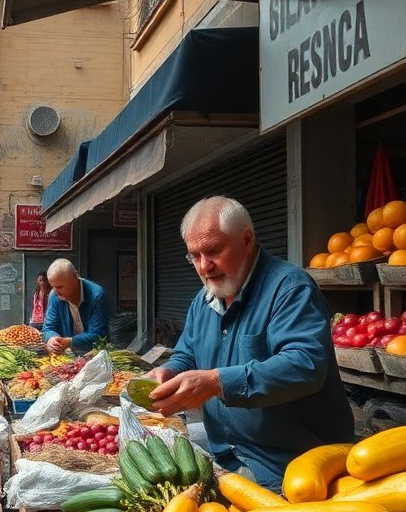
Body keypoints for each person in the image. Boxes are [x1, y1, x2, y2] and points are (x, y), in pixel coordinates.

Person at [146, 196, 352, 492]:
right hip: (227, 451)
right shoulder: (202, 300)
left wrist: (217, 382)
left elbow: (304, 366)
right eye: (194, 255)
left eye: (214, 251)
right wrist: (169, 371)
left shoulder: (290, 289)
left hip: (289, 466)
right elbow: (187, 353)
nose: (205, 266)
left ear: (246, 239)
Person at [42, 259, 110, 355]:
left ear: (76, 276)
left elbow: (97, 334)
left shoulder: (96, 295)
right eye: (52, 286)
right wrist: (51, 339)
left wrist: (70, 341)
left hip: (96, 354)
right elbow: (48, 327)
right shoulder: (54, 296)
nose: (55, 291)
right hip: (68, 356)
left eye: (60, 287)